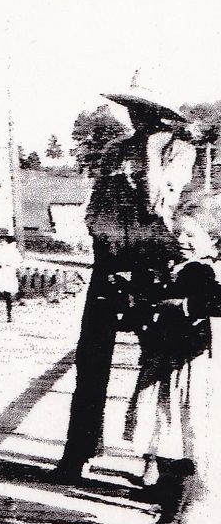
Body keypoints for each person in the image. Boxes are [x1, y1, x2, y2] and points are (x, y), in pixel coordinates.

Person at [55, 88, 198, 484]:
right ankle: (80, 451)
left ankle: (155, 459)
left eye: (146, 111)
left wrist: (152, 156)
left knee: (157, 360)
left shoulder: (180, 151)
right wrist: (105, 238)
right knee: (91, 358)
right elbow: (96, 208)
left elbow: (159, 203)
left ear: (161, 115)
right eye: (132, 110)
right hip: (112, 264)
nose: (137, 118)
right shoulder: (116, 150)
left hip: (157, 268)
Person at [121, 197, 221, 524]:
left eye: (191, 235)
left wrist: (177, 307)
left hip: (189, 371)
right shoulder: (176, 268)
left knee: (179, 445)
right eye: (177, 233)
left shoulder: (204, 271)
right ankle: (171, 521)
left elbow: (208, 305)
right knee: (168, 445)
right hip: (165, 366)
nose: (182, 240)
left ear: (212, 237)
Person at [0, 228, 22, 322]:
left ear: (7, 239)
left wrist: (8, 265)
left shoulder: (11, 248)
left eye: (3, 238)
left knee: (7, 294)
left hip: (7, 271)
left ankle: (9, 316)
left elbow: (18, 260)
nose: (1, 239)